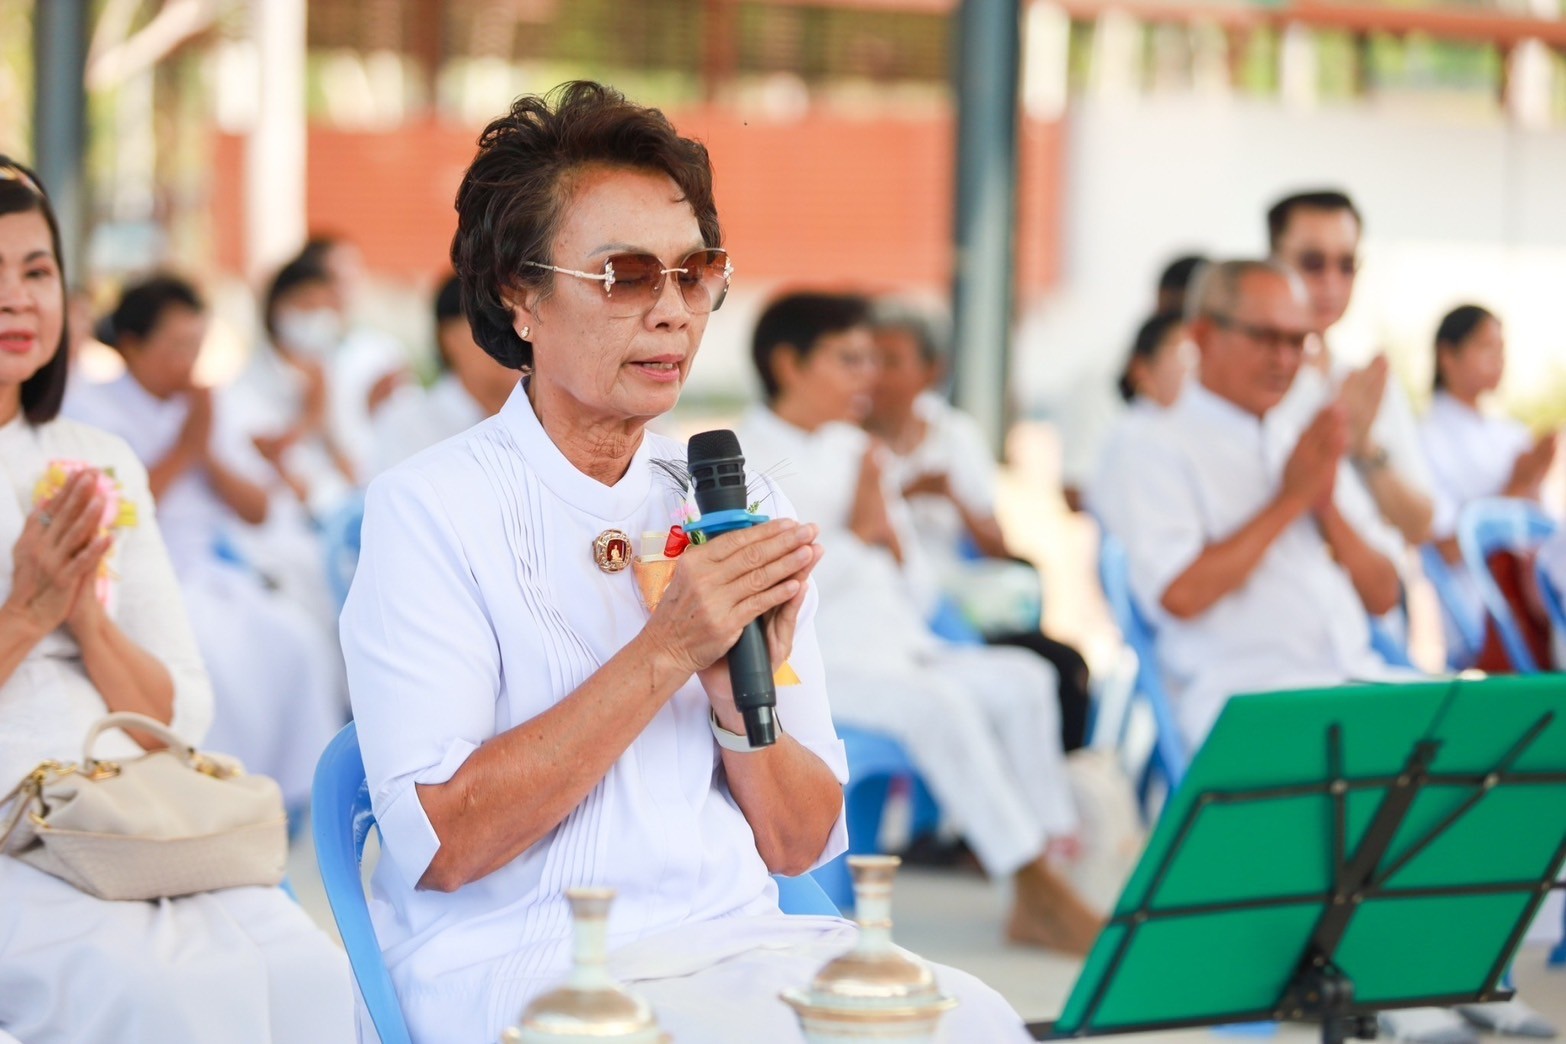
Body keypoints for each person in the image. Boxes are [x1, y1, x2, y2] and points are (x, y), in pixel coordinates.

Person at [339, 83, 1038, 1044]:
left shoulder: (733, 508)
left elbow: (798, 843)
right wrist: (667, 651)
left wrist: (736, 705)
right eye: (625, 276)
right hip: (527, 961)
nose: (673, 312)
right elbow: (446, 843)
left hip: (738, 940)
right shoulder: (430, 508)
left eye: (696, 272)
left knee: (972, 1020)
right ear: (519, 294)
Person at [0, 156, 353, 1043]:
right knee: (163, 999)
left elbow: (178, 713)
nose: (17, 300)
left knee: (311, 974)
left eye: (36, 271)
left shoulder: (95, 459)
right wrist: (27, 616)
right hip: (14, 836)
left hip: (122, 812)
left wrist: (84, 618)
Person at [740, 289, 1101, 954]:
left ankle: (1050, 867)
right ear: (789, 364)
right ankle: (1029, 878)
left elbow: (918, 586)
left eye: (872, 360)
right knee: (941, 706)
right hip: (821, 668)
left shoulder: (858, 450)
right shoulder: (747, 459)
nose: (867, 377)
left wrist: (887, 535)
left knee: (1026, 678)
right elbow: (768, 590)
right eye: (848, 360)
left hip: (902, 646)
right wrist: (860, 533)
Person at [1100, 260, 1411, 749]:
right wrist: (1289, 501)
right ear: (1203, 335)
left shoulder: (1300, 438)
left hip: (1357, 680)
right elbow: (1180, 595)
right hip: (1248, 705)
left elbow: (1384, 595)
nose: (1284, 359)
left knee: (1502, 733)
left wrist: (1325, 506)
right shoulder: (1150, 445)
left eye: (1298, 341)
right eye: (1265, 338)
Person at [64, 275, 343, 812]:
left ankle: (286, 800)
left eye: (197, 345)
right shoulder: (92, 408)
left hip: (208, 568)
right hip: (137, 572)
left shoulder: (202, 404)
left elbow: (257, 509)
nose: (188, 361)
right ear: (131, 345)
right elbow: (114, 511)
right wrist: (188, 445)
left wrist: (208, 447)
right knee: (209, 659)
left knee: (298, 641)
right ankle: (210, 798)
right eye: (176, 347)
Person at [865, 298, 1094, 751]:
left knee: (1066, 667)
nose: (876, 376)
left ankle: (1063, 775)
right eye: (868, 360)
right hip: (890, 611)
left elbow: (998, 546)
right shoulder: (845, 441)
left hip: (961, 604)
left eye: (891, 362)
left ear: (931, 371)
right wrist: (903, 496)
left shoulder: (954, 436)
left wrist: (954, 499)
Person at [1267, 190, 1434, 551]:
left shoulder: (1367, 384)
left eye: (1346, 265)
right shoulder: (1250, 381)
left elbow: (1421, 524)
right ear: (1273, 263)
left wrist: (1365, 447)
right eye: (1313, 263)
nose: (1332, 282)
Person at [1419, 304, 1559, 668]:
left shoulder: (1510, 435)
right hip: (1482, 624)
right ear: (1447, 355)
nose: (1498, 359)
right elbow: (1447, 550)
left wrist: (1531, 483)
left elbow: (1544, 538)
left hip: (1536, 610)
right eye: (1485, 347)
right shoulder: (1426, 438)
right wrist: (1517, 487)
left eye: (1501, 349)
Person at [366, 273, 519, 478]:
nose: (518, 335)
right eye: (499, 321)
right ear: (449, 338)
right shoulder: (407, 426)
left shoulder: (541, 423)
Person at [296, 234, 411, 474]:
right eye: (336, 277)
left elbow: (407, 421)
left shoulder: (382, 349)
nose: (346, 287)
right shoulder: (296, 349)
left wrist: (374, 408)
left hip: (376, 475)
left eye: (353, 274)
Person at [1086, 311, 1192, 539]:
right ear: (1142, 369)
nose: (1193, 369)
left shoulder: (1171, 432)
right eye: (1185, 354)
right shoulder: (1137, 439)